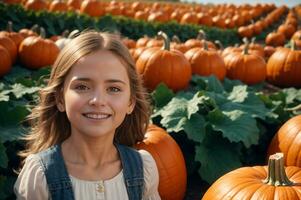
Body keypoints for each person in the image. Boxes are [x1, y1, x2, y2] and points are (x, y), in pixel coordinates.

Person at [14, 30, 161, 200]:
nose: (98, 100)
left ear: (130, 102)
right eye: (82, 87)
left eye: (114, 89)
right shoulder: (40, 175)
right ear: (60, 98)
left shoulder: (143, 169)